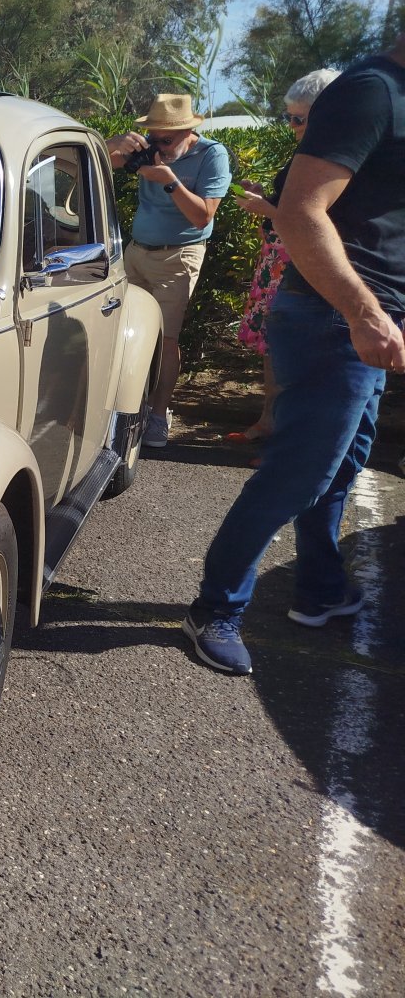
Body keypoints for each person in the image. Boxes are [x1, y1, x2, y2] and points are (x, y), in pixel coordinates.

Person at [182, 35, 405, 675]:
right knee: (298, 473)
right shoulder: (372, 91)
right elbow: (301, 214)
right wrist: (365, 315)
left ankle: (321, 588)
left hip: (364, 316)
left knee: (342, 464)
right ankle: (214, 607)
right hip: (338, 318)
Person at [107, 95, 232, 448]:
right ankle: (122, 409)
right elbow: (88, 160)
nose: (158, 146)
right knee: (122, 331)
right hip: (136, 251)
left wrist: (169, 180)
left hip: (179, 256)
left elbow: (202, 216)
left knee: (166, 339)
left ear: (188, 132)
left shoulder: (212, 155)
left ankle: (158, 414)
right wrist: (115, 142)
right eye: (152, 137)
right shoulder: (149, 149)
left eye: (166, 139)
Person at [230, 69, 341, 454]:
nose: (291, 126)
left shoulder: (335, 158)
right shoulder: (307, 152)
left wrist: (267, 209)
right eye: (288, 117)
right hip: (279, 260)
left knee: (298, 353)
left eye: (298, 118)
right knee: (275, 347)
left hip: (303, 264)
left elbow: (316, 220)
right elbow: (291, 208)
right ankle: (270, 422)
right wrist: (264, 200)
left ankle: (288, 444)